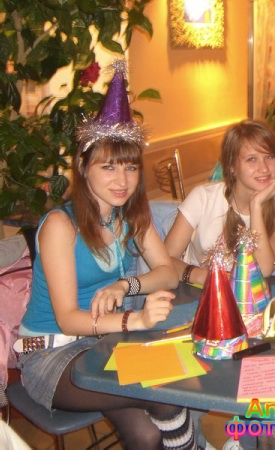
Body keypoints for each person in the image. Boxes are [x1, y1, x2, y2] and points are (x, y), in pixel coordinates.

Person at [16, 63, 195, 450]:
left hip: (106, 341)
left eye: (130, 167)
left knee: (147, 429)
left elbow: (167, 272)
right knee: (164, 395)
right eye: (108, 166)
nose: (122, 180)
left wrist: (125, 285)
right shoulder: (60, 226)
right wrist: (136, 318)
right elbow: (68, 318)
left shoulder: (129, 216)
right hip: (51, 352)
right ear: (83, 166)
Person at [165, 120, 275, 285]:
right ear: (232, 166)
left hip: (248, 296)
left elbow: (265, 270)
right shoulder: (203, 197)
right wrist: (205, 276)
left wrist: (256, 206)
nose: (264, 168)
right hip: (199, 292)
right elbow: (165, 260)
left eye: (269, 157)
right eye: (251, 159)